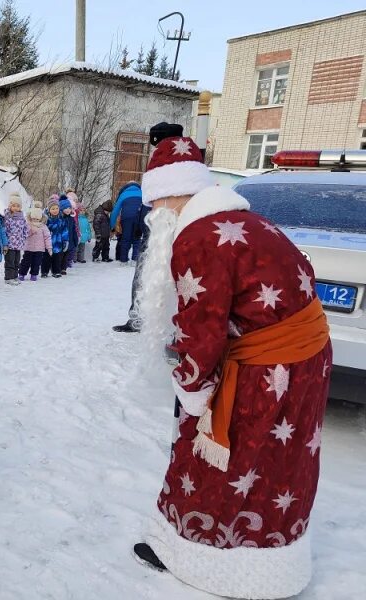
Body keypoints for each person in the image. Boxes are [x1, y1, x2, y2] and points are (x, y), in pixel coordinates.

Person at [133, 136, 332, 599]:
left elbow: (202, 331)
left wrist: (194, 392)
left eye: (155, 204)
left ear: (168, 195)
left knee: (214, 452)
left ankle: (210, 563)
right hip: (306, 359)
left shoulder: (198, 237)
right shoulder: (248, 219)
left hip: (268, 368)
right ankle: (277, 566)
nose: (154, 215)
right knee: (281, 463)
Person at [112, 122, 184, 333]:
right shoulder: (162, 163)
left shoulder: (175, 163)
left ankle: (170, 328)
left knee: (166, 278)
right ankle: (137, 319)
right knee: (143, 274)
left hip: (166, 228)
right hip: (151, 227)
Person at [109, 182, 143, 263]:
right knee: (137, 238)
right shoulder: (143, 193)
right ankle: (135, 260)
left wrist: (112, 225)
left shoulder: (123, 194)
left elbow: (115, 211)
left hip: (126, 219)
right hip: (138, 218)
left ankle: (123, 260)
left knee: (125, 239)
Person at [19, 203, 52, 281]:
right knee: (25, 262)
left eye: (37, 219)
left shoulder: (43, 227)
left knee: (37, 262)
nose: (35, 220)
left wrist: (49, 248)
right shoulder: (27, 225)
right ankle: (22, 273)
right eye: (34, 218)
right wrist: (31, 231)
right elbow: (24, 234)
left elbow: (47, 237)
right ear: (31, 217)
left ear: (40, 218)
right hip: (29, 248)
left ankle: (34, 274)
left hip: (39, 249)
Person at [3, 192, 28, 285]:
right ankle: (8, 278)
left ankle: (14, 276)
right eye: (13, 205)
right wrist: (5, 242)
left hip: (18, 244)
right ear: (10, 206)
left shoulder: (22, 217)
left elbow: (25, 228)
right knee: (10, 261)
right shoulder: (8, 217)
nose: (16, 208)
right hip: (10, 245)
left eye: (18, 206)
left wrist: (24, 237)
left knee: (17, 262)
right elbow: (5, 230)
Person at [41, 197, 67, 278]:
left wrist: (65, 240)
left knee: (57, 258)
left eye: (57, 208)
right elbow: (43, 230)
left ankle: (56, 271)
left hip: (58, 243)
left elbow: (65, 231)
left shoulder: (61, 219)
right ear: (49, 209)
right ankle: (44, 271)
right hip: (48, 243)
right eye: (53, 208)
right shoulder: (46, 220)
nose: (55, 210)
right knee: (46, 258)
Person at [59, 195, 77, 275]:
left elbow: (74, 230)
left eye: (69, 208)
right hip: (61, 241)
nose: (68, 210)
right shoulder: (60, 219)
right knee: (60, 255)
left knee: (66, 255)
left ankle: (63, 268)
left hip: (69, 240)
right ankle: (57, 267)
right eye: (65, 208)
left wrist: (75, 239)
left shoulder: (71, 218)